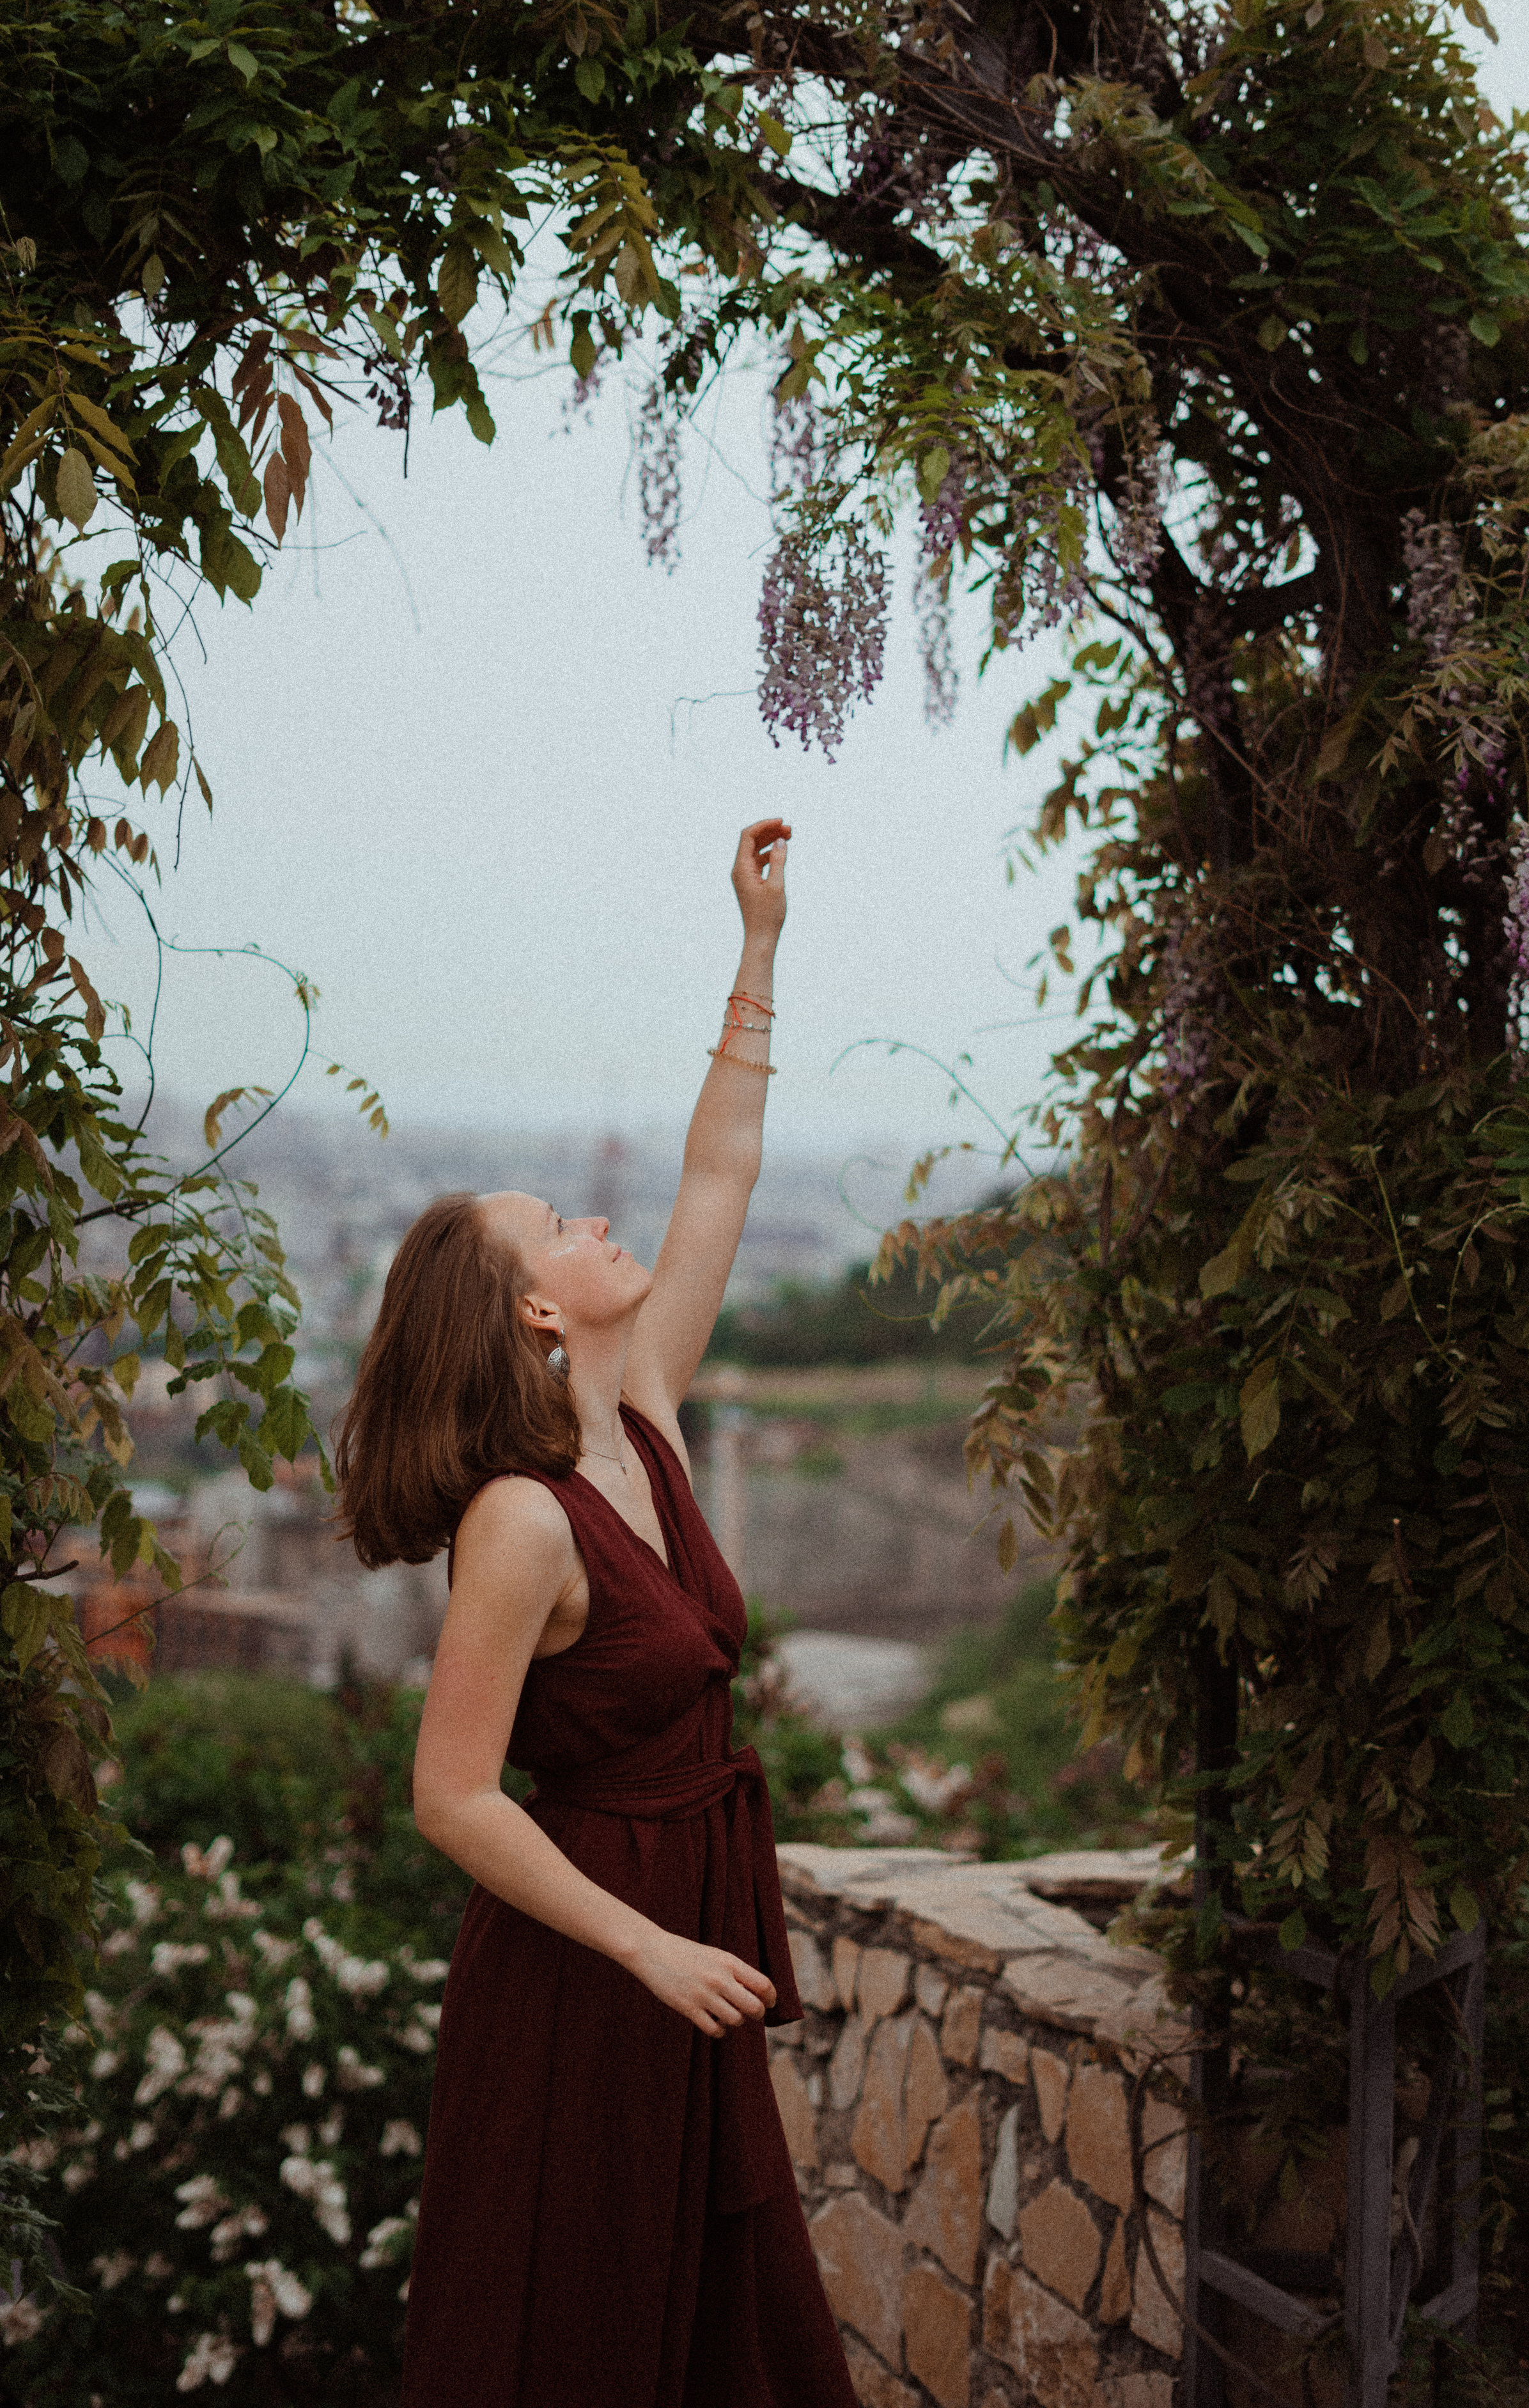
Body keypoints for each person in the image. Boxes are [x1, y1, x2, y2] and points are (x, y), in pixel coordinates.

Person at [333, 819, 858, 2408]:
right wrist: (646, 1950)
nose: (598, 1224)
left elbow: (718, 1172)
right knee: (581, 2318)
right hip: (591, 1959)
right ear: (535, 1309)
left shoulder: (642, 1419)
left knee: (708, 2317)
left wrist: (756, 947)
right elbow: (451, 1795)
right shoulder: (518, 1518)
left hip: (684, 1922)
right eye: (562, 1225)